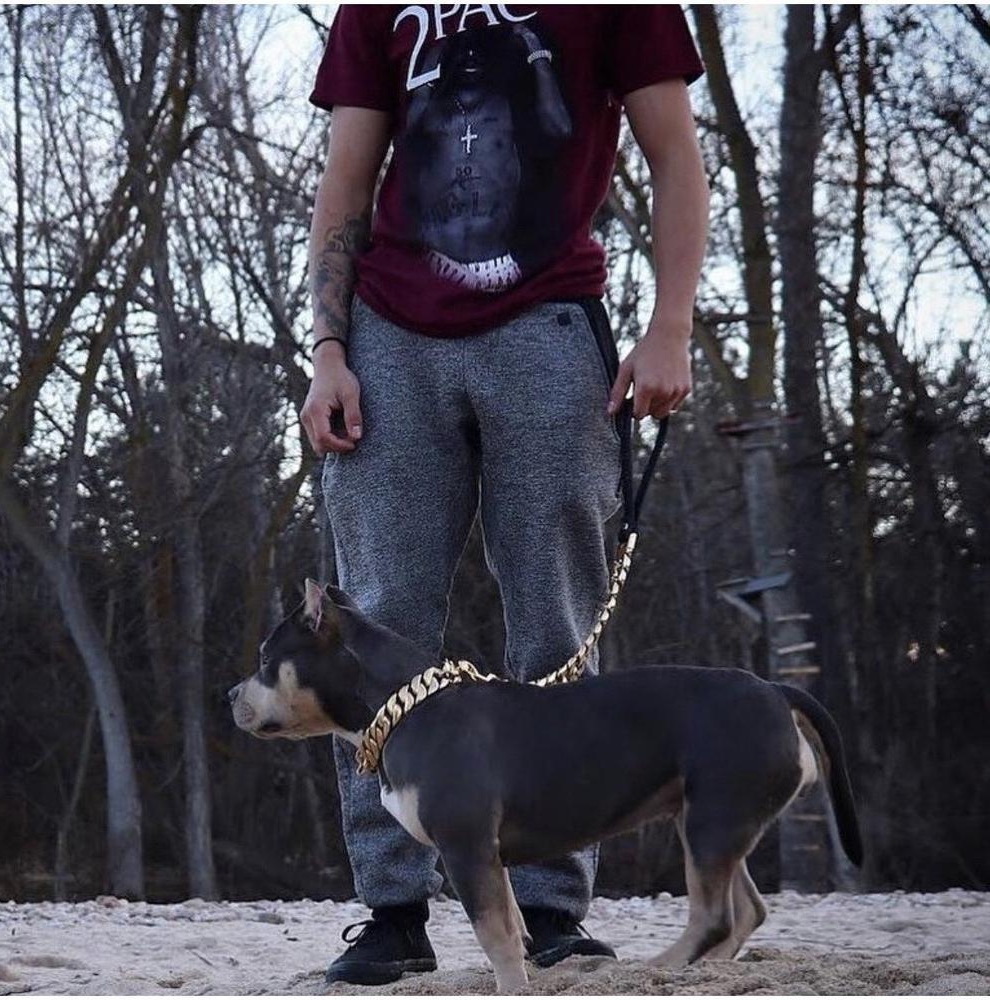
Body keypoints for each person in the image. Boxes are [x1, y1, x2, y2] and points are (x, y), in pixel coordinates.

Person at [301, 4, 708, 986]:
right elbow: (347, 180)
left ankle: (551, 911)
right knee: (373, 624)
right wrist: (326, 351)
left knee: (554, 627)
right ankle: (393, 912)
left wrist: (670, 326)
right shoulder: (376, 10)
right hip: (390, 333)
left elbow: (675, 158)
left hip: (550, 326)